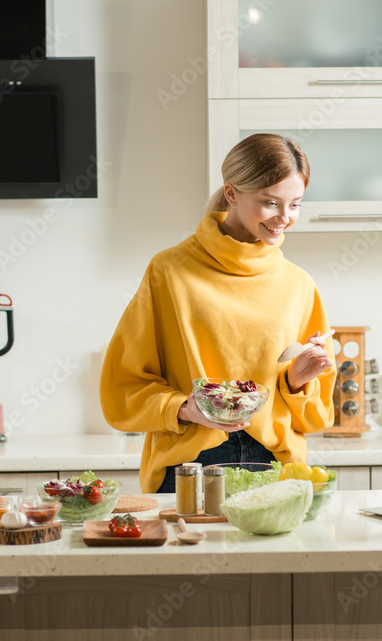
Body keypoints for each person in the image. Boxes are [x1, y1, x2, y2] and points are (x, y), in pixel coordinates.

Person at [99, 133, 336, 493]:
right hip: (190, 464)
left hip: (274, 464)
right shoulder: (169, 271)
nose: (285, 218)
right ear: (232, 194)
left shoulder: (298, 284)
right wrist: (184, 408)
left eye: (296, 204)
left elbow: (316, 415)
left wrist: (298, 382)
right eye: (271, 203)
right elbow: (123, 386)